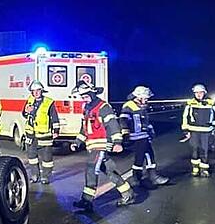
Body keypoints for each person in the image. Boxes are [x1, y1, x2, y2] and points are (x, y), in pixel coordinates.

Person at [70, 81, 134, 211]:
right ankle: (128, 194)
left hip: (101, 145)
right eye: (82, 97)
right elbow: (85, 128)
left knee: (91, 170)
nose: (84, 99)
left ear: (92, 94)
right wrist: (78, 141)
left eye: (85, 96)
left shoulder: (103, 107)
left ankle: (87, 201)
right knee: (109, 171)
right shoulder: (87, 108)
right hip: (93, 145)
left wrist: (117, 142)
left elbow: (112, 124)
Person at [119, 85, 169, 188]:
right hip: (136, 136)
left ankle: (144, 177)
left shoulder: (142, 106)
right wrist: (125, 133)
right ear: (138, 97)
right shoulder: (129, 105)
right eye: (145, 98)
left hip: (144, 135)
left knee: (148, 155)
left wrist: (150, 130)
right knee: (141, 157)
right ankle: (142, 178)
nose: (146, 100)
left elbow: (145, 121)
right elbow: (123, 119)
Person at [21, 80, 60, 184]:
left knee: (47, 158)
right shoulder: (29, 100)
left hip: (44, 134)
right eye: (34, 91)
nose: (36, 93)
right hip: (31, 134)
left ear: (41, 91)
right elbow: (23, 114)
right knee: (32, 157)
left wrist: (56, 130)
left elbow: (54, 117)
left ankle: (46, 176)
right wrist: (26, 111)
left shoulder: (49, 102)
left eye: (38, 90)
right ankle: (35, 175)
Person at [181, 84, 215, 177]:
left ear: (204, 93)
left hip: (206, 131)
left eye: (201, 92)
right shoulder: (190, 104)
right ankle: (195, 168)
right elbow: (185, 117)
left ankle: (204, 169)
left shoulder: (210, 103)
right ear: (194, 93)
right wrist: (185, 130)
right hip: (193, 131)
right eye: (197, 93)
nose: (199, 94)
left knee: (204, 150)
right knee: (194, 150)